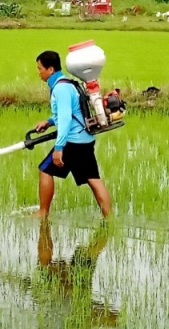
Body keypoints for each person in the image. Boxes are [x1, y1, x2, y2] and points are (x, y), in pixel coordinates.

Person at [34, 51, 112, 219]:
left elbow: (65, 118)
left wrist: (59, 147)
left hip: (72, 141)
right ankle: (109, 218)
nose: (38, 72)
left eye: (40, 68)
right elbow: (71, 111)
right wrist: (48, 122)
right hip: (86, 139)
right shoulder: (68, 84)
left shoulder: (60, 89)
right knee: (93, 178)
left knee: (45, 171)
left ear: (50, 69)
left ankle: (42, 213)